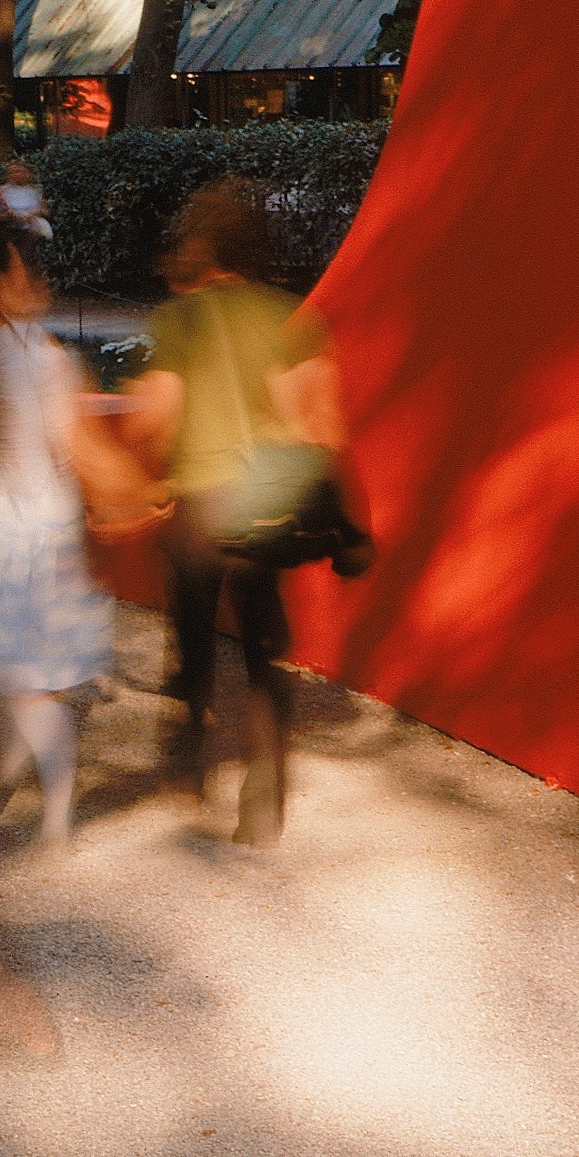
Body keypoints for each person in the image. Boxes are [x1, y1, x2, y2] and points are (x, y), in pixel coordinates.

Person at [125, 179, 348, 850]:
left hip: (197, 508)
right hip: (261, 507)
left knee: (191, 634)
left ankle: (188, 754)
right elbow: (321, 423)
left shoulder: (178, 319)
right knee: (262, 649)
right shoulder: (289, 317)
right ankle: (262, 804)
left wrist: (155, 474)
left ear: (204, 245)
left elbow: (153, 418)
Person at [0, 221, 145, 848]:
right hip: (35, 533)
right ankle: (56, 821)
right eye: (27, 269)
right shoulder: (41, 356)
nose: (39, 281)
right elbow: (79, 446)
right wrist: (132, 493)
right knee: (31, 684)